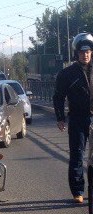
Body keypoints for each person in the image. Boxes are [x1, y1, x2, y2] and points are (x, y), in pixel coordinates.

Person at [53, 32, 93, 204]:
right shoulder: (67, 74)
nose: (85, 54)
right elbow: (58, 97)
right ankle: (78, 191)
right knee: (77, 156)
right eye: (82, 51)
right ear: (76, 53)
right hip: (77, 119)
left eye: (88, 51)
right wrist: (60, 117)